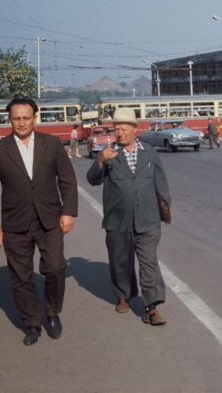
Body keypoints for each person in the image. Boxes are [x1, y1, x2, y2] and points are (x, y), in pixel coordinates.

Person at [0, 96, 78, 346]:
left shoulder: (52, 144)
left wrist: (68, 212)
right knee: (21, 277)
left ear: (34, 117)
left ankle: (52, 312)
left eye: (26, 118)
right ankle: (32, 323)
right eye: (16, 118)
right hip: (15, 224)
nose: (21, 123)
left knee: (55, 268)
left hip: (50, 220)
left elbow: (67, 180)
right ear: (9, 120)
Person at [86, 107, 171, 326]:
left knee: (149, 263)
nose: (120, 133)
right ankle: (123, 296)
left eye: (124, 128)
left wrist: (164, 207)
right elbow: (92, 180)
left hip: (148, 219)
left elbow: (160, 181)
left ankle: (151, 307)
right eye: (116, 129)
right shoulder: (109, 152)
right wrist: (101, 161)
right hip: (118, 220)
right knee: (120, 262)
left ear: (135, 129)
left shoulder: (149, 152)